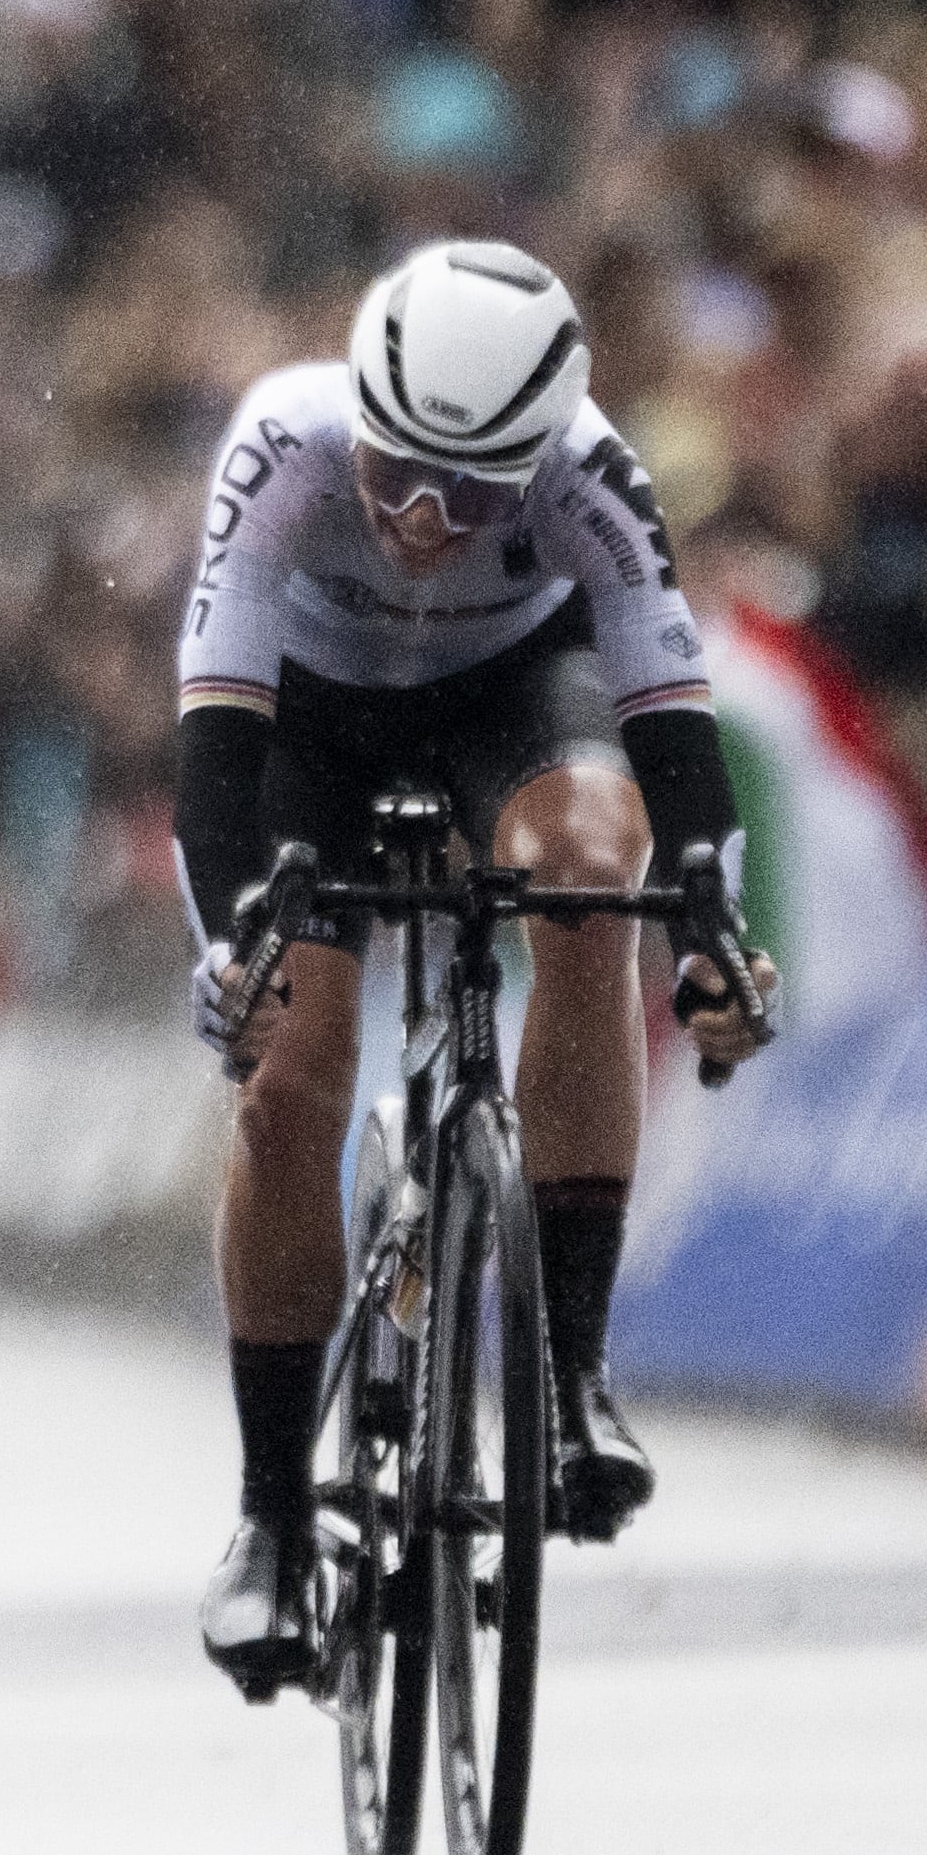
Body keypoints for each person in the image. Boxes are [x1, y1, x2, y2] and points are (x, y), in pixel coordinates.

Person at [178, 238, 780, 1698]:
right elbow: (216, 751)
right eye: (397, 476)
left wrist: (713, 931)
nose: (427, 520)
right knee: (289, 1073)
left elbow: (678, 740)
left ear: (543, 453)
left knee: (594, 872)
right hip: (309, 727)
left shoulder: (596, 474)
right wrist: (228, 947)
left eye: (473, 489)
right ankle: (269, 1511)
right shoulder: (282, 444)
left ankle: (569, 1382)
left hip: (513, 695)